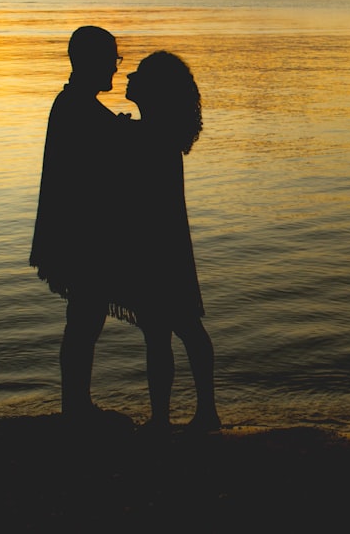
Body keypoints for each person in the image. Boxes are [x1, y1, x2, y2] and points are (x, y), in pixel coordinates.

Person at [115, 51, 220, 433]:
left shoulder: (151, 134)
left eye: (139, 73)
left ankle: (194, 413)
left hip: (159, 245)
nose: (129, 76)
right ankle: (176, 414)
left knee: (176, 329)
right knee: (168, 330)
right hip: (161, 242)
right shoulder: (152, 131)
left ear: (154, 89)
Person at [29, 25, 124, 421]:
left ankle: (77, 404)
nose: (116, 71)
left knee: (85, 319)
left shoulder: (73, 104)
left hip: (73, 233)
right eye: (112, 61)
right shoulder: (77, 109)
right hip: (78, 238)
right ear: (92, 62)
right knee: (84, 321)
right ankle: (77, 408)